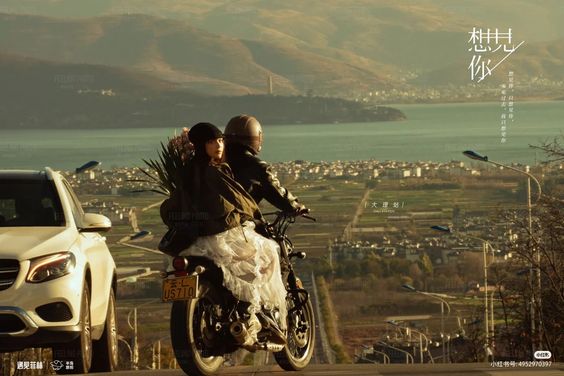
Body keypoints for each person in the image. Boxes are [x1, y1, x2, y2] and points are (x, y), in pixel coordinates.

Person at [164, 122, 287, 349]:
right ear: (201, 145)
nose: (218, 145)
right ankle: (250, 316)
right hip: (218, 235)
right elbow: (238, 201)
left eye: (220, 140)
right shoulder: (214, 171)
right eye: (211, 142)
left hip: (194, 238)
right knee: (267, 254)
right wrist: (252, 216)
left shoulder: (188, 171)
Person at [224, 115, 305, 213]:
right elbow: (276, 191)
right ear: (256, 137)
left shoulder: (216, 160)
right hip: (238, 220)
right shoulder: (257, 166)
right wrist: (296, 206)